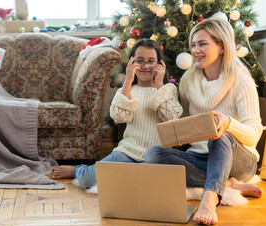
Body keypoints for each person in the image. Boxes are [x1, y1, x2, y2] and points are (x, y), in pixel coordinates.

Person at [145, 18, 263, 226]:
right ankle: (226, 184)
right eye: (193, 45)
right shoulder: (188, 80)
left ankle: (210, 197)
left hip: (239, 159)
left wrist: (228, 123)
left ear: (222, 47)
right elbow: (184, 124)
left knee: (219, 135)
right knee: (153, 154)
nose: (195, 50)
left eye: (202, 44)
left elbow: (254, 134)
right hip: (201, 159)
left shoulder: (241, 80)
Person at [52, 39, 183, 188]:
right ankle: (79, 170)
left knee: (147, 187)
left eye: (151, 61)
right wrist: (128, 80)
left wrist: (159, 84)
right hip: (127, 152)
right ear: (131, 63)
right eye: (140, 61)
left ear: (160, 64)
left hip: (157, 156)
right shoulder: (126, 91)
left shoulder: (168, 89)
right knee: (88, 180)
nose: (145, 66)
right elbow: (118, 117)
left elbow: (172, 116)